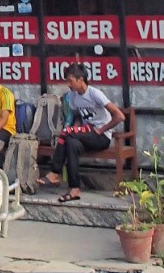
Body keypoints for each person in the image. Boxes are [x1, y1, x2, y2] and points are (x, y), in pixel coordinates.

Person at [44, 62, 126, 203]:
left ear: (80, 80)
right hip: (86, 134)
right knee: (71, 143)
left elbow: (120, 116)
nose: (68, 84)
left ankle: (54, 172)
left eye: (70, 81)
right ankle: (75, 189)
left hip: (101, 137)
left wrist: (102, 129)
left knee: (67, 133)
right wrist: (75, 130)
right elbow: (78, 116)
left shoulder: (95, 94)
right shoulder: (73, 96)